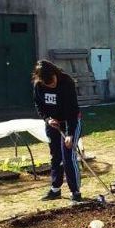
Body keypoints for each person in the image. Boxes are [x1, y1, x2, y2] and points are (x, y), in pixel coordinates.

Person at [32, 60, 83, 203]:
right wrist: (48, 119)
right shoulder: (38, 86)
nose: (52, 85)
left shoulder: (67, 82)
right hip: (53, 124)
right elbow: (39, 105)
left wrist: (70, 134)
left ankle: (76, 192)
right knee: (56, 156)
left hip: (70, 121)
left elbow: (72, 110)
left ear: (55, 73)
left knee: (68, 157)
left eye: (53, 81)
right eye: (48, 84)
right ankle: (55, 189)